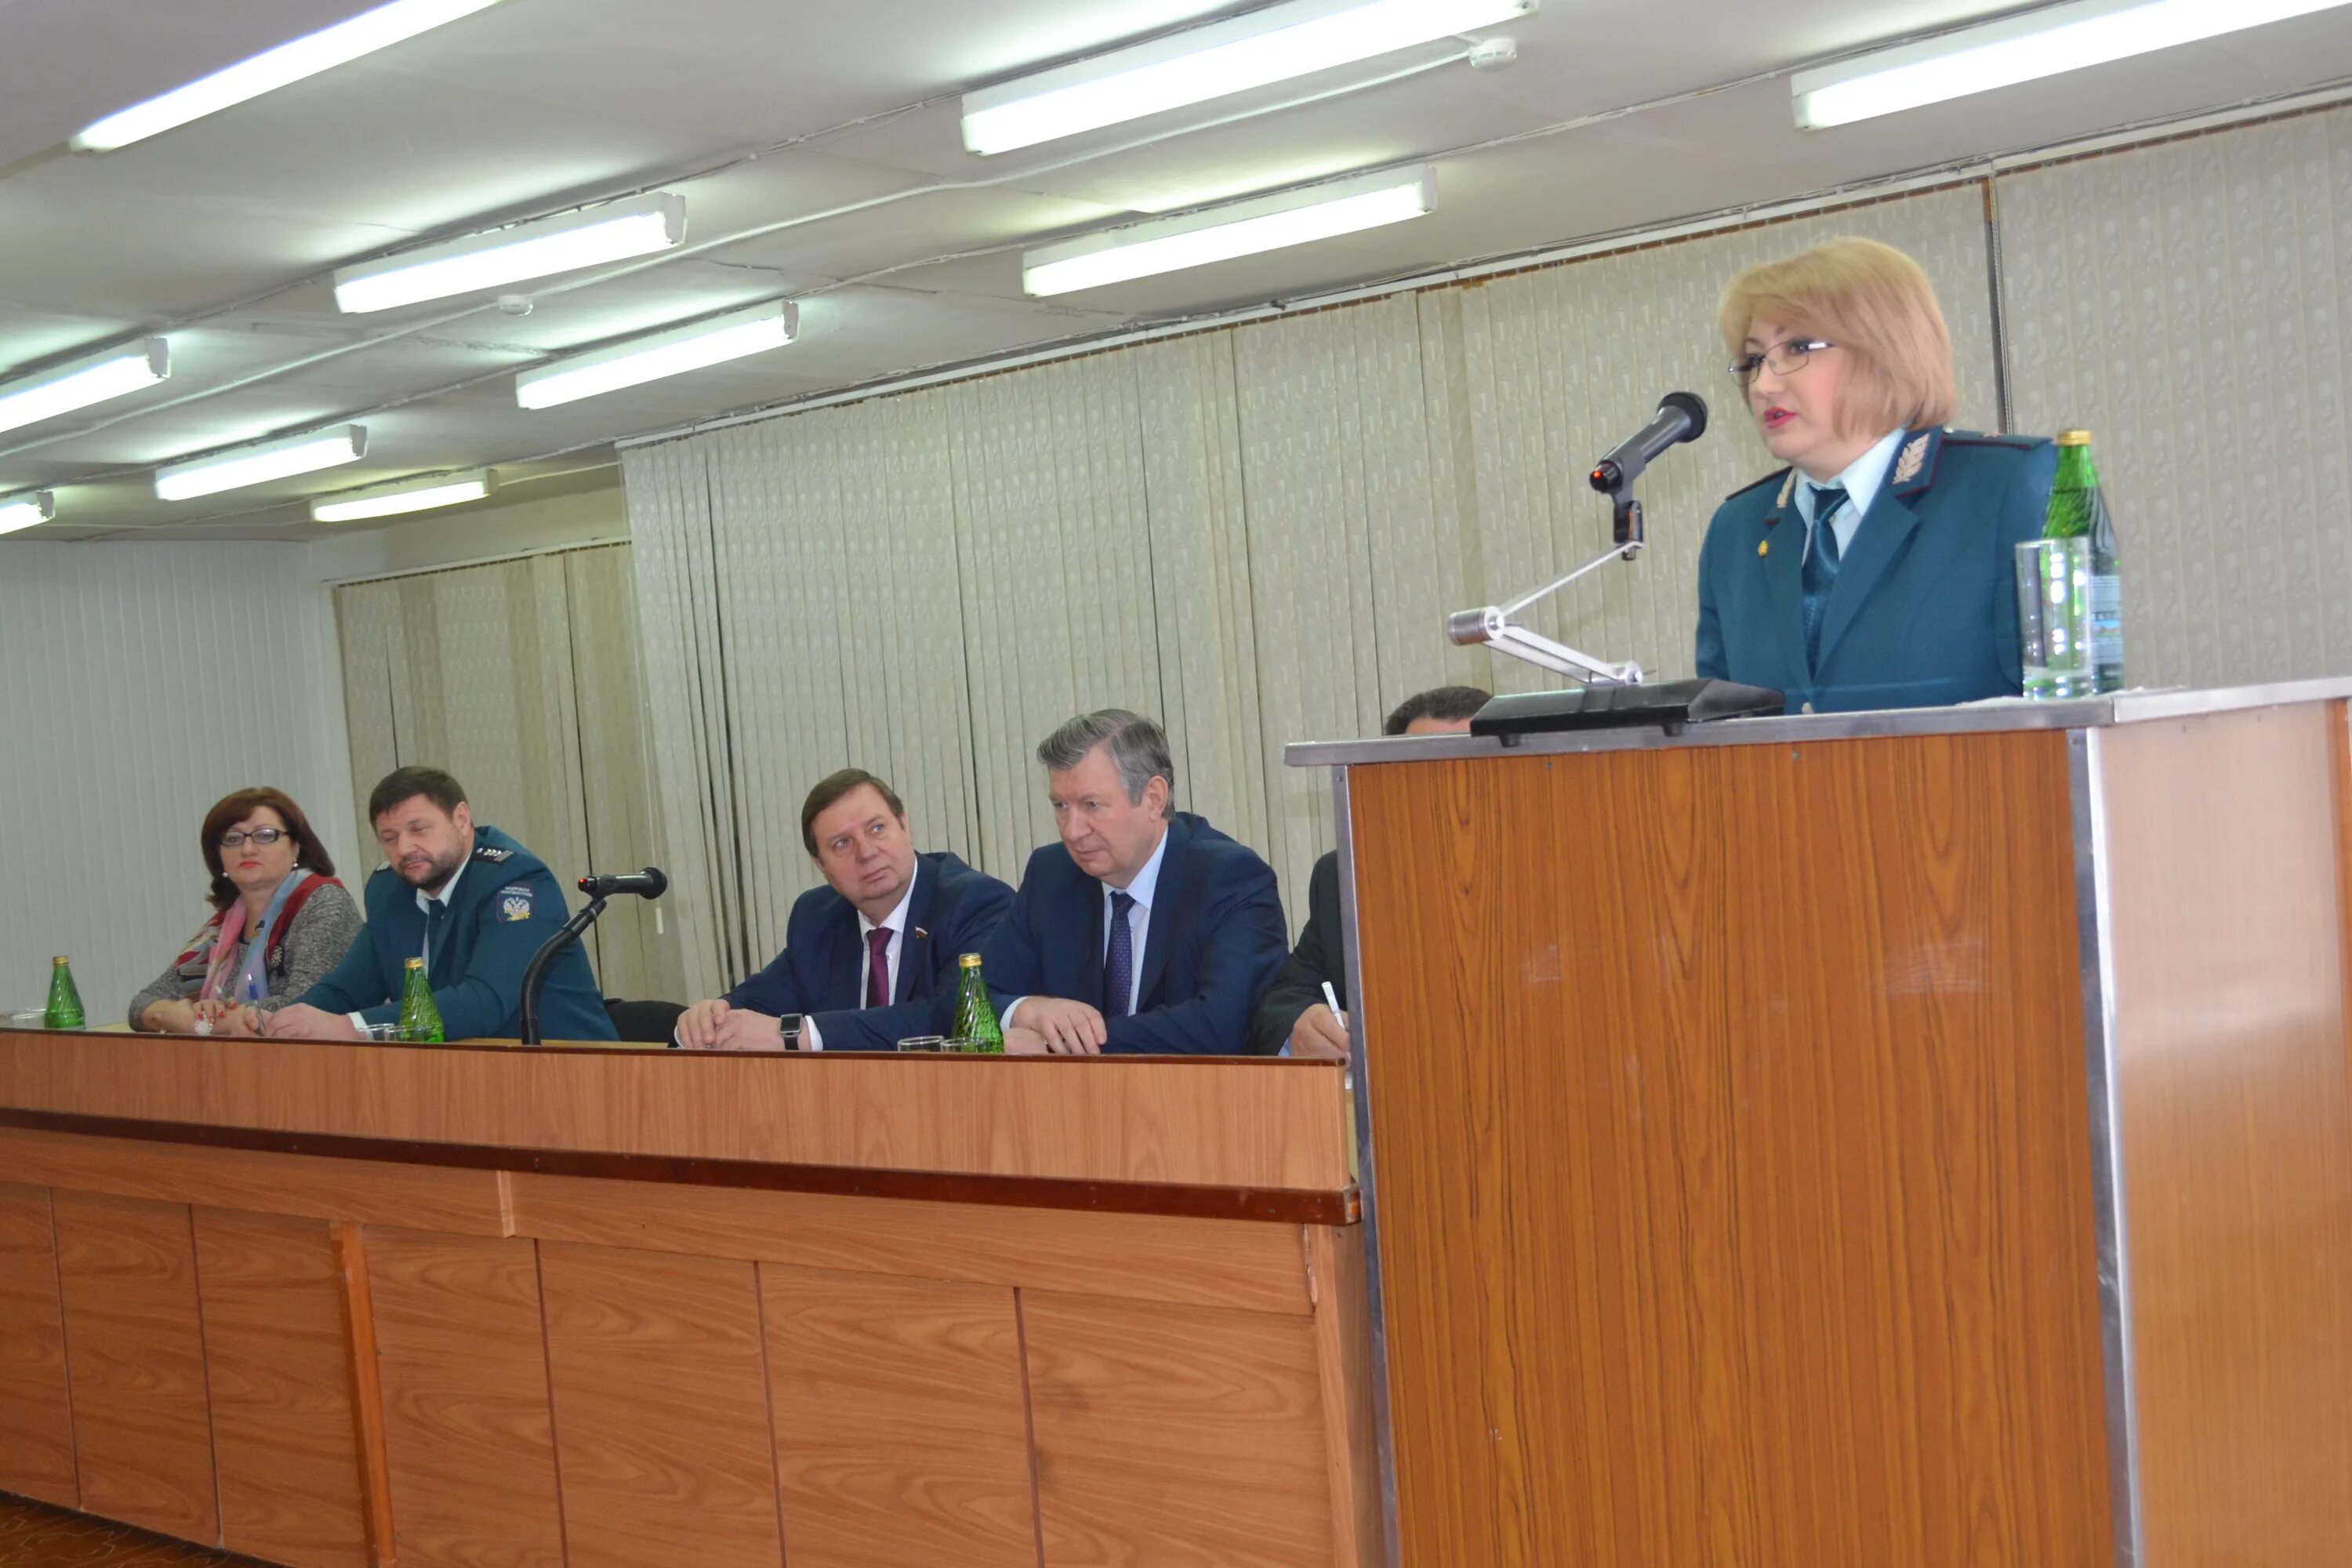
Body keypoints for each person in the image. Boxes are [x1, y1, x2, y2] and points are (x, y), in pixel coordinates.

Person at [1695, 236, 2057, 714]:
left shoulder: (2005, 487)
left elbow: (2064, 709)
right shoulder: (1737, 531)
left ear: (1886, 352)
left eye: (1798, 346)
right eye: (1754, 359)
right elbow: (1716, 734)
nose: (1763, 385)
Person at [972, 709, 1287, 1056]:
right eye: (1061, 805)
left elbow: (1222, 1026)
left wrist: (1060, 1043)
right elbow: (969, 999)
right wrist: (1029, 1010)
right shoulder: (1051, 875)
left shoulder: (1228, 878)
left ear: (1153, 798)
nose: (1072, 830)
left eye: (1092, 805)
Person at [267, 765, 616, 1043]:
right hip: (458, 1077)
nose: (404, 849)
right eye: (389, 838)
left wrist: (350, 1027)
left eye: (419, 830)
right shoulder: (390, 890)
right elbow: (346, 988)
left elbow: (484, 1002)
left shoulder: (515, 881)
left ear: (462, 819)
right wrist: (279, 1023)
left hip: (565, 1073)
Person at [674, 768, 1012, 1051]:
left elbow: (948, 1018)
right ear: (821, 865)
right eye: (842, 844)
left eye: (877, 828)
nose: (866, 852)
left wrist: (792, 1035)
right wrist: (710, 1017)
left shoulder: (972, 901)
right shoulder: (818, 917)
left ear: (904, 825)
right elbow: (762, 999)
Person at [1248, 685, 1489, 1059]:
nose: (1451, 789)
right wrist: (1302, 1023)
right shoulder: (1344, 875)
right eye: (1428, 770)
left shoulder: (1557, 872)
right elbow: (1282, 1000)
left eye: (1469, 767)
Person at [129, 787, 362, 1034]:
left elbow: (305, 1007)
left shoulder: (323, 903)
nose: (247, 849)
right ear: (218, 856)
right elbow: (142, 1005)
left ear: (296, 847)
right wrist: (174, 1015)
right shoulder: (222, 929)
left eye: (265, 835)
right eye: (233, 838)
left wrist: (201, 1022)